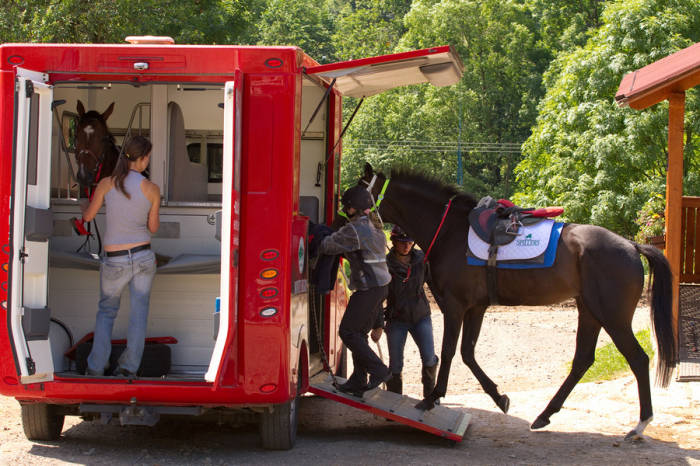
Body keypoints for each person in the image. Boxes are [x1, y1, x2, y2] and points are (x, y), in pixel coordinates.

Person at [83, 135, 160, 377]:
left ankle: (96, 367)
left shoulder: (107, 183)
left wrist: (84, 204)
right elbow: (153, 228)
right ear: (144, 158)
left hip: (115, 259)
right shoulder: (151, 189)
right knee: (139, 314)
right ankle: (127, 369)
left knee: (106, 312)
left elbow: (87, 217)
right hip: (143, 257)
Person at [319, 185, 392, 395]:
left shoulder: (355, 229)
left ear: (353, 208)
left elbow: (328, 246)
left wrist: (315, 235)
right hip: (379, 287)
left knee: (347, 332)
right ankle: (358, 380)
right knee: (358, 333)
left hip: (368, 289)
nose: (345, 210)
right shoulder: (374, 227)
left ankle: (378, 369)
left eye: (346, 207)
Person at [382, 225, 439, 398]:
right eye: (402, 242)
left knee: (429, 359)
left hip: (421, 316)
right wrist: (377, 323)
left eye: (410, 242)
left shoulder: (422, 260)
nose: (406, 246)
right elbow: (378, 294)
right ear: (393, 242)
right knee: (395, 365)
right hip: (396, 319)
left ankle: (430, 400)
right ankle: (393, 404)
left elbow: (434, 284)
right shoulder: (385, 264)